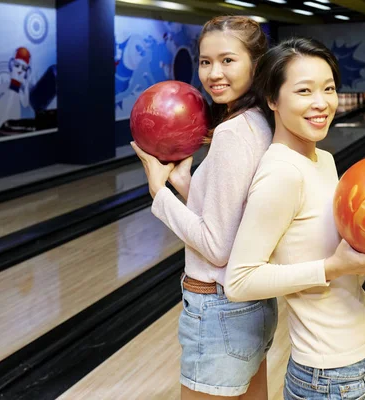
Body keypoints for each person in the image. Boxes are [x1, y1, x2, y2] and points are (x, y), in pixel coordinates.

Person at [225, 37, 365, 400]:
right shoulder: (282, 173)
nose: (322, 103)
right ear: (273, 99)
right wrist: (333, 266)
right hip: (328, 376)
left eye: (329, 88)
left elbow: (331, 262)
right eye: (304, 91)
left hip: (360, 355)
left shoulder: (325, 161)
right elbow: (240, 280)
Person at [131, 16, 277, 400]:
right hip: (251, 306)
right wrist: (184, 184)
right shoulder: (261, 121)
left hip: (218, 309)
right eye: (205, 61)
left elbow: (216, 246)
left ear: (256, 66)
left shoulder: (230, 134)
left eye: (228, 60)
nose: (214, 73)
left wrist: (158, 190)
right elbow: (233, 211)